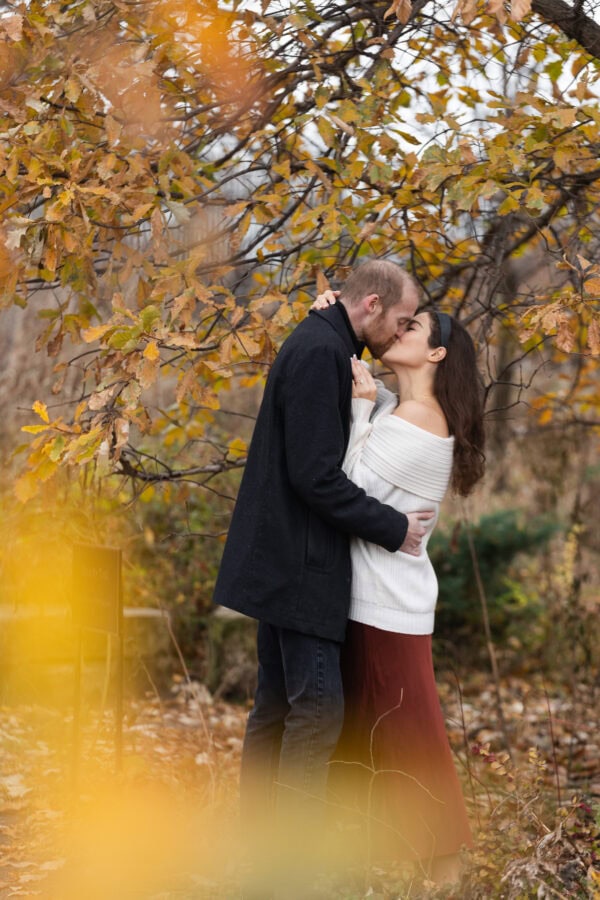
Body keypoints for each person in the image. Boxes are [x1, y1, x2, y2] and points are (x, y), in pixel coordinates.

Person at [212, 260, 434, 893]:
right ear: (367, 306)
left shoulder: (328, 343)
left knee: (278, 707)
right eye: (395, 320)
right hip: (299, 565)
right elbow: (315, 476)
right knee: (317, 710)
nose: (398, 334)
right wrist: (394, 527)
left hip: (288, 559)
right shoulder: (321, 353)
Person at [314, 299, 486, 888]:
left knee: (413, 746)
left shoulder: (421, 419)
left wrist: (360, 413)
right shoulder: (409, 408)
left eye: (411, 326)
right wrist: (333, 325)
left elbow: (346, 484)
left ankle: (446, 880)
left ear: (435, 353)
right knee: (380, 745)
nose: (398, 329)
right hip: (379, 605)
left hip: (387, 609)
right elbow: (368, 399)